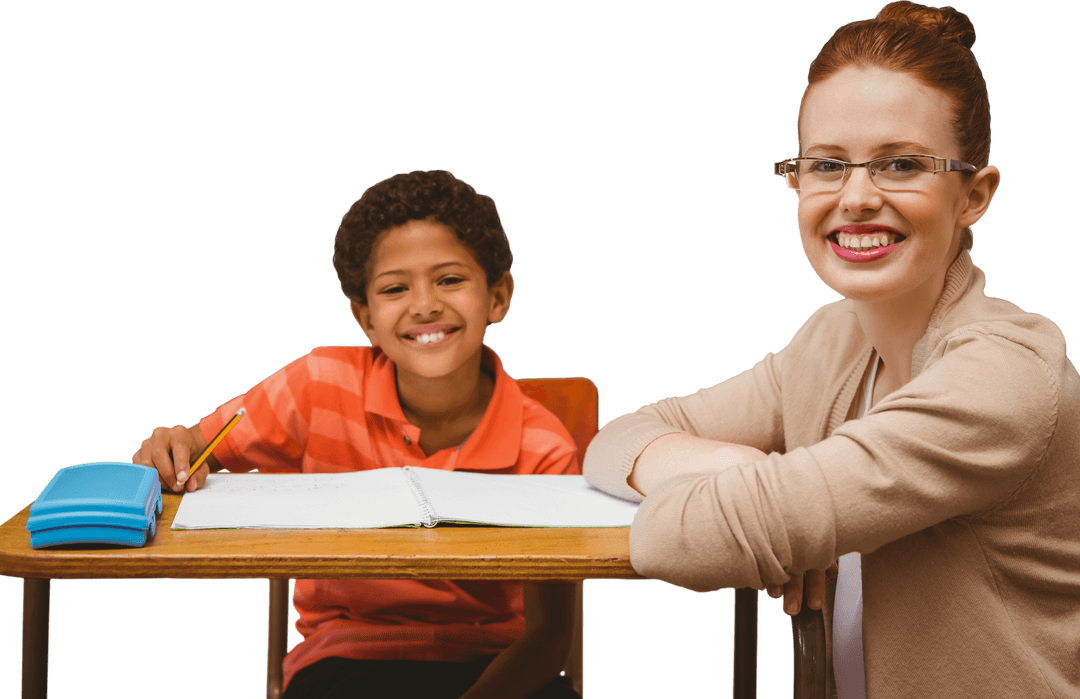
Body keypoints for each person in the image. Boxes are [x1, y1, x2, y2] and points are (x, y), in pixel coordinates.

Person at [582, 2, 1080, 697]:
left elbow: (678, 542)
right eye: (826, 166)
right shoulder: (832, 340)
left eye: (900, 164)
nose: (855, 198)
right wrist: (747, 464)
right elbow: (615, 441)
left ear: (974, 195)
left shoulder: (1004, 377)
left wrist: (771, 507)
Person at [133, 169, 582, 699]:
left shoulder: (544, 447)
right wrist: (172, 448)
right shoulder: (316, 387)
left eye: (450, 280)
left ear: (499, 297)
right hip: (347, 662)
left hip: (492, 669)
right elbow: (198, 447)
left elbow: (550, 636)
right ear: (364, 316)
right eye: (395, 288)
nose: (424, 305)